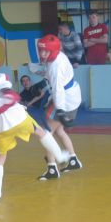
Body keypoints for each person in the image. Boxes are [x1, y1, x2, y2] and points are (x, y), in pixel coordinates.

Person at [0, 48, 70, 202]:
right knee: (41, 132)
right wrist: (8, 94)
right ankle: (59, 156)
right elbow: (4, 89)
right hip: (17, 117)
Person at [36, 34, 83, 180]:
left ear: (53, 50)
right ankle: (73, 160)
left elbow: (58, 89)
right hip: (72, 96)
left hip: (64, 100)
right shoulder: (57, 56)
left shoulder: (56, 66)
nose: (42, 54)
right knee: (59, 130)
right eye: (41, 51)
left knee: (46, 133)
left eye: (46, 51)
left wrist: (61, 110)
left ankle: (52, 168)